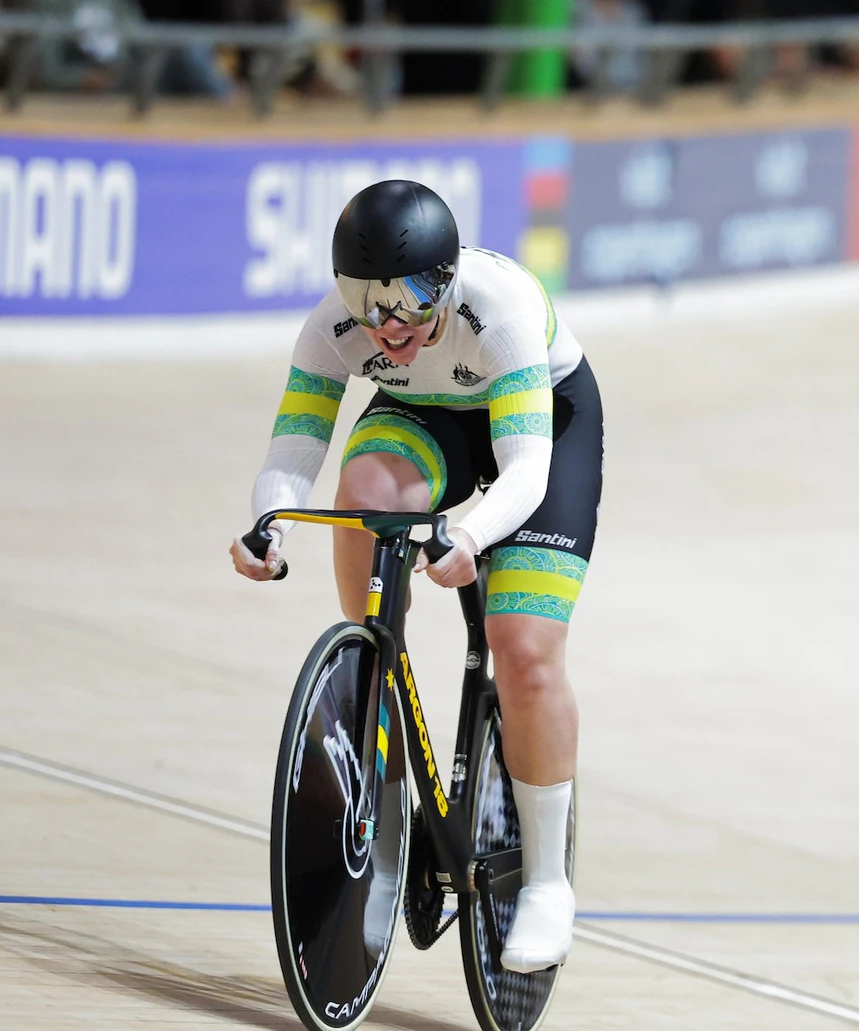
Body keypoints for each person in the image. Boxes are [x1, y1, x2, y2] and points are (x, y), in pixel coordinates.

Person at [231, 179, 602, 974]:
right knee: (363, 494)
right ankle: (376, 689)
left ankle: (545, 883)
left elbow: (526, 472)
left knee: (525, 650)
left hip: (543, 426)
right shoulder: (334, 326)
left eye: (407, 304)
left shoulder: (495, 308)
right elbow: (296, 446)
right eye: (368, 304)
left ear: (446, 279)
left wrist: (467, 534)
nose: (388, 326)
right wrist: (269, 520)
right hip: (426, 419)